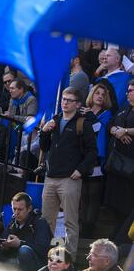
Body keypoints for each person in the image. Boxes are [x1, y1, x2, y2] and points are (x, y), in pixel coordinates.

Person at [40, 87, 97, 260]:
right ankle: (47, 256)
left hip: (69, 178)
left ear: (78, 104)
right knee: (46, 221)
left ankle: (69, 258)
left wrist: (80, 170)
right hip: (51, 176)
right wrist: (44, 132)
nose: (65, 102)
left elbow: (92, 152)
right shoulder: (55, 120)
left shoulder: (83, 123)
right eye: (64, 99)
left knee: (70, 222)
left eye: (69, 100)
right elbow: (45, 147)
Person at [79, 83, 113, 238]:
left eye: (102, 94)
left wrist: (90, 117)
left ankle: (88, 227)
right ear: (91, 95)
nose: (99, 96)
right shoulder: (82, 112)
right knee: (83, 194)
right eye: (97, 93)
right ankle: (81, 224)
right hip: (82, 156)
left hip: (97, 158)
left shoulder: (107, 114)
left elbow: (99, 128)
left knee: (93, 194)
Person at [105, 80, 134, 233]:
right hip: (117, 163)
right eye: (128, 90)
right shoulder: (124, 108)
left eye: (130, 91)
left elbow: (126, 130)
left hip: (131, 165)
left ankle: (121, 234)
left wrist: (127, 131)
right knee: (114, 200)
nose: (127, 93)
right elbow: (110, 124)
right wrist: (117, 131)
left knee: (127, 202)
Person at [0, 192, 53, 271]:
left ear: (29, 209)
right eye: (14, 209)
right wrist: (4, 245)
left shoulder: (40, 222)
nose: (16, 213)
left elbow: (44, 249)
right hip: (17, 260)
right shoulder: (13, 222)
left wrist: (19, 243)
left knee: (24, 251)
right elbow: (3, 238)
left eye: (20, 209)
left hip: (40, 264)